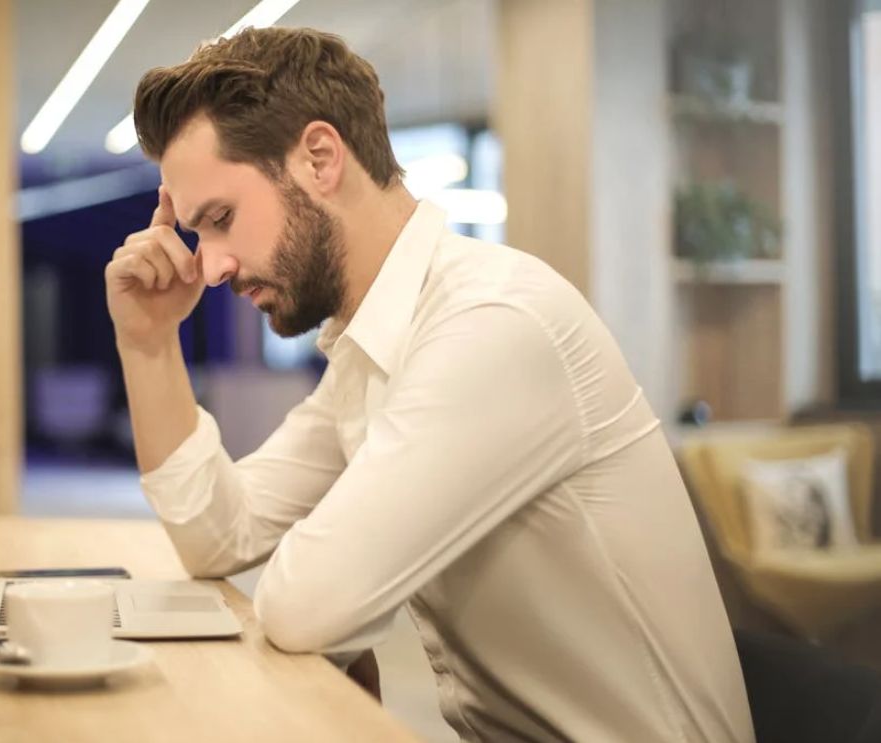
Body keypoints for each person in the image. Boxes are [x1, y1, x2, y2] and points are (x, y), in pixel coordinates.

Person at [104, 26, 754, 742]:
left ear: (319, 158)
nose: (213, 265)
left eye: (220, 220)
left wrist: (338, 614)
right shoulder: (371, 349)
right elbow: (218, 535)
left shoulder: (492, 324)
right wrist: (147, 341)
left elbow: (304, 603)